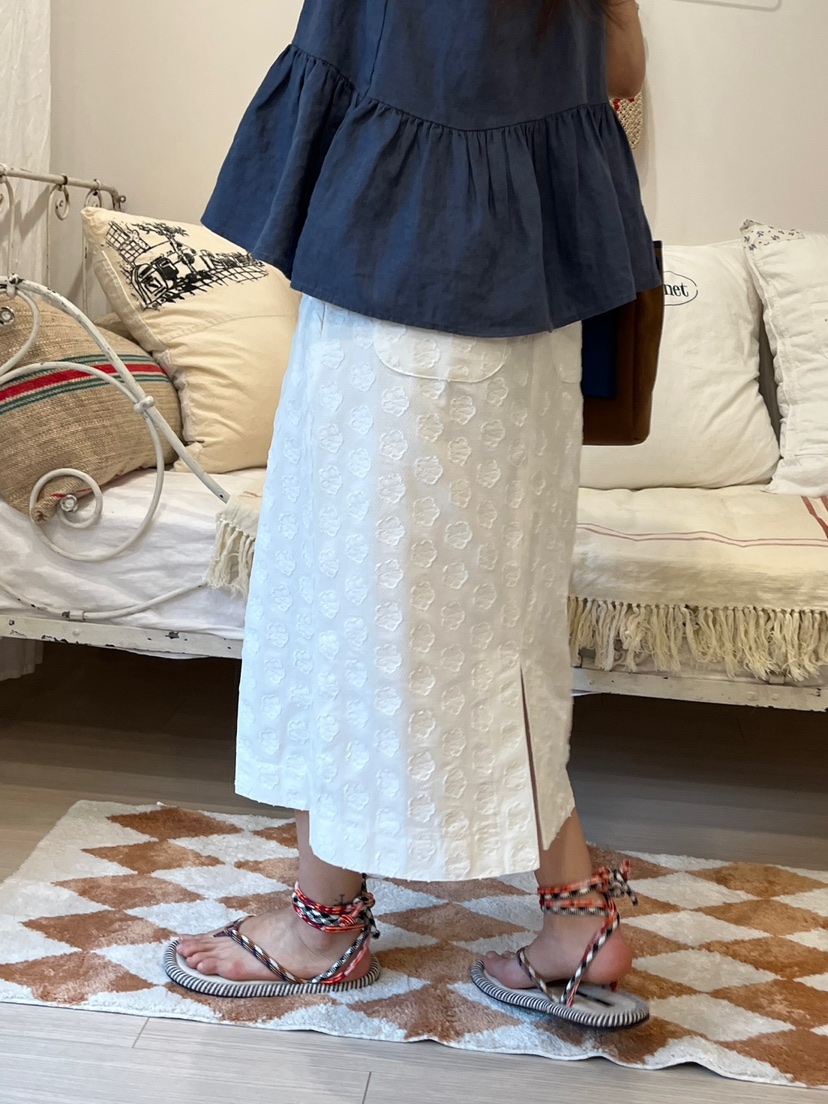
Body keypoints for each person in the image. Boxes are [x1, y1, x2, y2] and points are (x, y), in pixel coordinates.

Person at [171, 0, 658, 1029]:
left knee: (362, 603)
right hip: (525, 294)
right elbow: (622, 61)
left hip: (408, 277)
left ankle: (322, 924)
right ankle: (575, 920)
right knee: (491, 622)